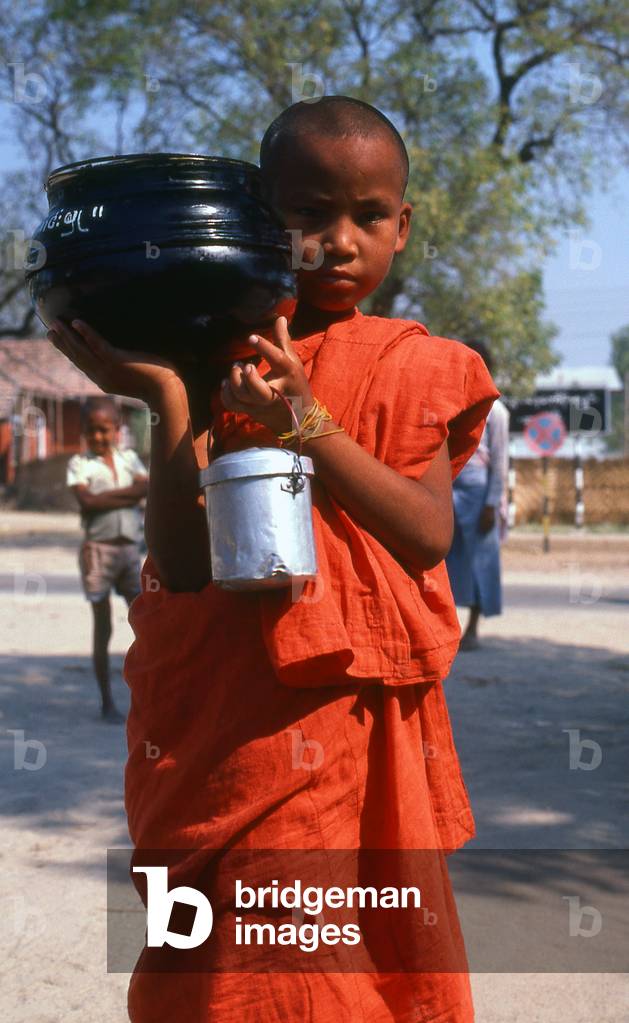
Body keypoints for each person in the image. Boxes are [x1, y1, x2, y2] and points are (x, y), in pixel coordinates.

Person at [49, 96, 499, 1022]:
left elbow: (422, 533)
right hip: (229, 736)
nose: (338, 241)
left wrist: (309, 425)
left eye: (367, 216)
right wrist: (170, 395)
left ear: (402, 225)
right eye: (307, 215)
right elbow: (184, 570)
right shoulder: (222, 361)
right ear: (260, 219)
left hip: (341, 737)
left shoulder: (419, 365)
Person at [66, 396, 148, 722]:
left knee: (147, 621)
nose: (98, 437)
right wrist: (124, 495)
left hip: (128, 551)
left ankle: (150, 694)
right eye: (91, 431)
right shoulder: (79, 464)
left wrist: (101, 499)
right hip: (97, 551)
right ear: (84, 432)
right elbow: (85, 501)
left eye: (104, 430)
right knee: (102, 628)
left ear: (117, 430)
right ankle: (107, 701)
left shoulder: (128, 458)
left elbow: (144, 488)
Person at [446, 341, 510, 650]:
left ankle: (472, 628)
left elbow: (500, 461)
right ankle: (446, 628)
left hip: (478, 490)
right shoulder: (449, 403)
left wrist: (491, 504)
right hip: (449, 485)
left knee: (480, 561)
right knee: (444, 557)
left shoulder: (497, 411)